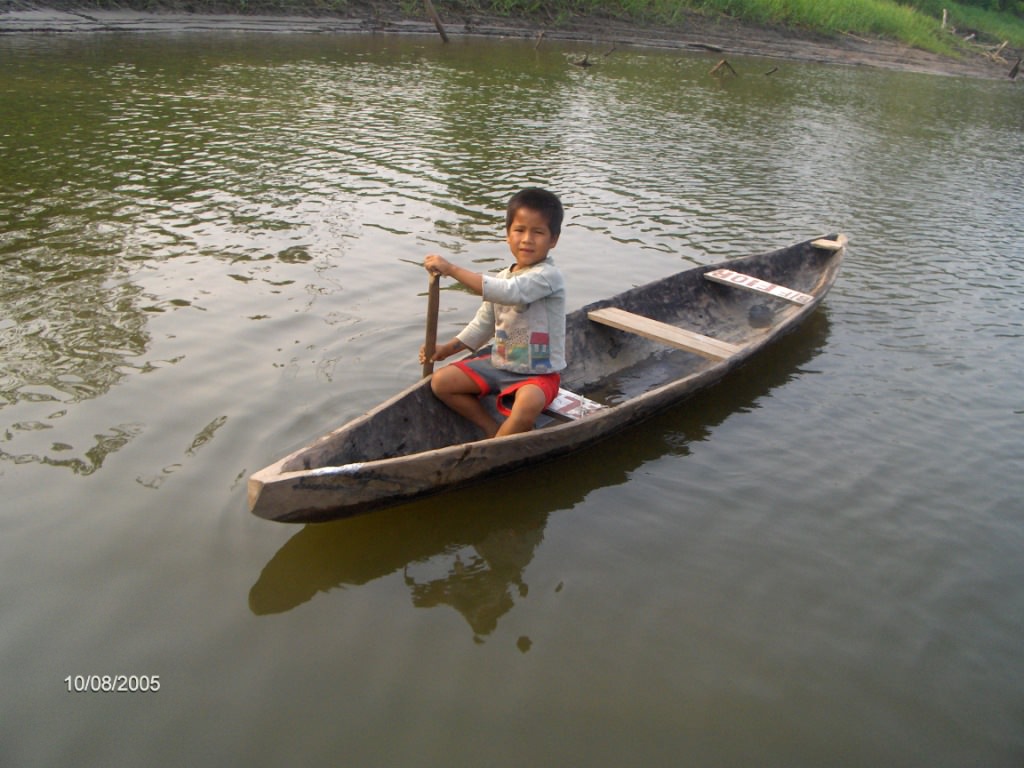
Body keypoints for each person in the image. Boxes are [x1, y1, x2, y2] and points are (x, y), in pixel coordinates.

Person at [419, 188, 566, 439]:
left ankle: (495, 449)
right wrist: (447, 349)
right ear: (508, 235)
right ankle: (492, 430)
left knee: (528, 403)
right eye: (519, 230)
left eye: (538, 232)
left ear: (553, 240)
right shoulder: (503, 278)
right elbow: (483, 325)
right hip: (502, 365)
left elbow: (510, 293)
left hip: (538, 374)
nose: (527, 239)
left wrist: (452, 269)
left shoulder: (547, 277)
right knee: (441, 383)